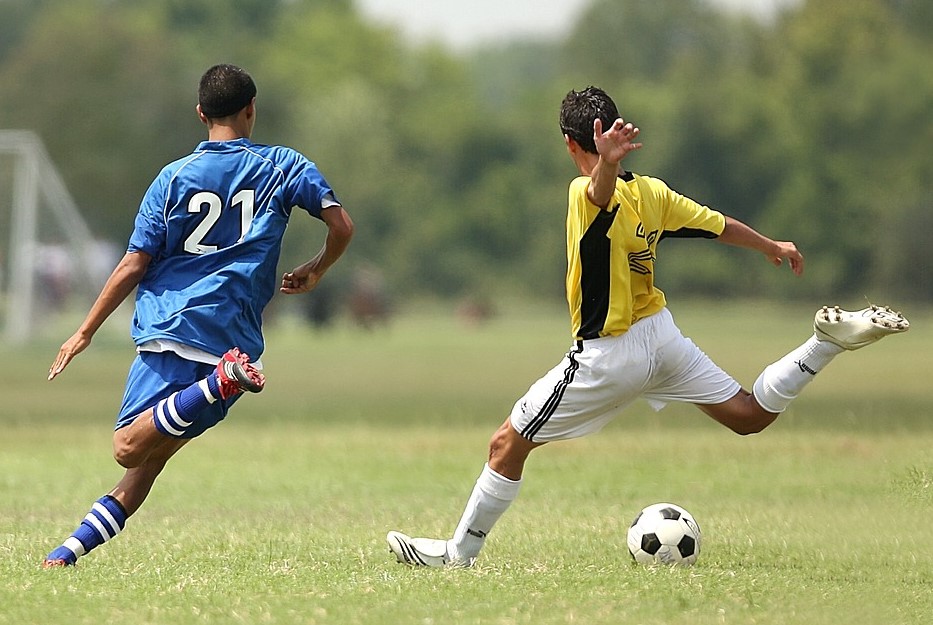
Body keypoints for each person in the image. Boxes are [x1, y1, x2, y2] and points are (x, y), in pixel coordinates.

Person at [386, 85, 908, 568]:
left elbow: (597, 194)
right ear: (613, 132)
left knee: (506, 445)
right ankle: (822, 344)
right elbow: (717, 224)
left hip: (609, 354)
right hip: (662, 336)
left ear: (570, 143)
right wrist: (771, 245)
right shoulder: (653, 193)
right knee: (749, 415)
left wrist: (604, 167)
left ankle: (459, 555)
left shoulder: (581, 192)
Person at [42, 64, 354, 567]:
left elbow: (134, 263)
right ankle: (66, 554)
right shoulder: (284, 165)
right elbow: (342, 226)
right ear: (252, 109)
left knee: (127, 447)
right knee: (146, 466)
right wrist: (316, 269)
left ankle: (216, 383)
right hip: (234, 337)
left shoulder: (172, 178)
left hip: (173, 327)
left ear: (200, 114)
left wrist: (84, 331)